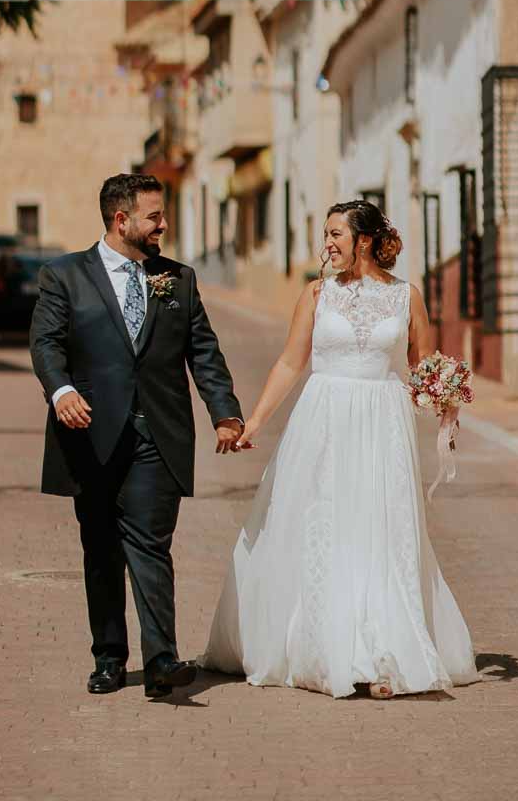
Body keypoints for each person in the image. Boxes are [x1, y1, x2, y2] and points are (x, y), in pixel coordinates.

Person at [202, 199, 477, 699]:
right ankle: (329, 648)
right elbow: (290, 363)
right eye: (325, 235)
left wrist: (446, 398)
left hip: (383, 425)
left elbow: (422, 366)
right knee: (325, 528)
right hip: (324, 421)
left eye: (335, 234)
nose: (327, 244)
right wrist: (255, 422)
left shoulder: (406, 297)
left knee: (381, 532)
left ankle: (383, 654)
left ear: (364, 241)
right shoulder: (316, 294)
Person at [30, 172, 244, 701]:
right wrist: (59, 393)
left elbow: (204, 352)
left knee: (151, 544)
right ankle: (108, 658)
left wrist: (225, 413)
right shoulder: (65, 276)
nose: (163, 225)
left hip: (157, 436)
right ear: (121, 220)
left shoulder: (179, 279)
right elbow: (46, 344)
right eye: (154, 216)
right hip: (90, 436)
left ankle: (161, 660)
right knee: (101, 550)